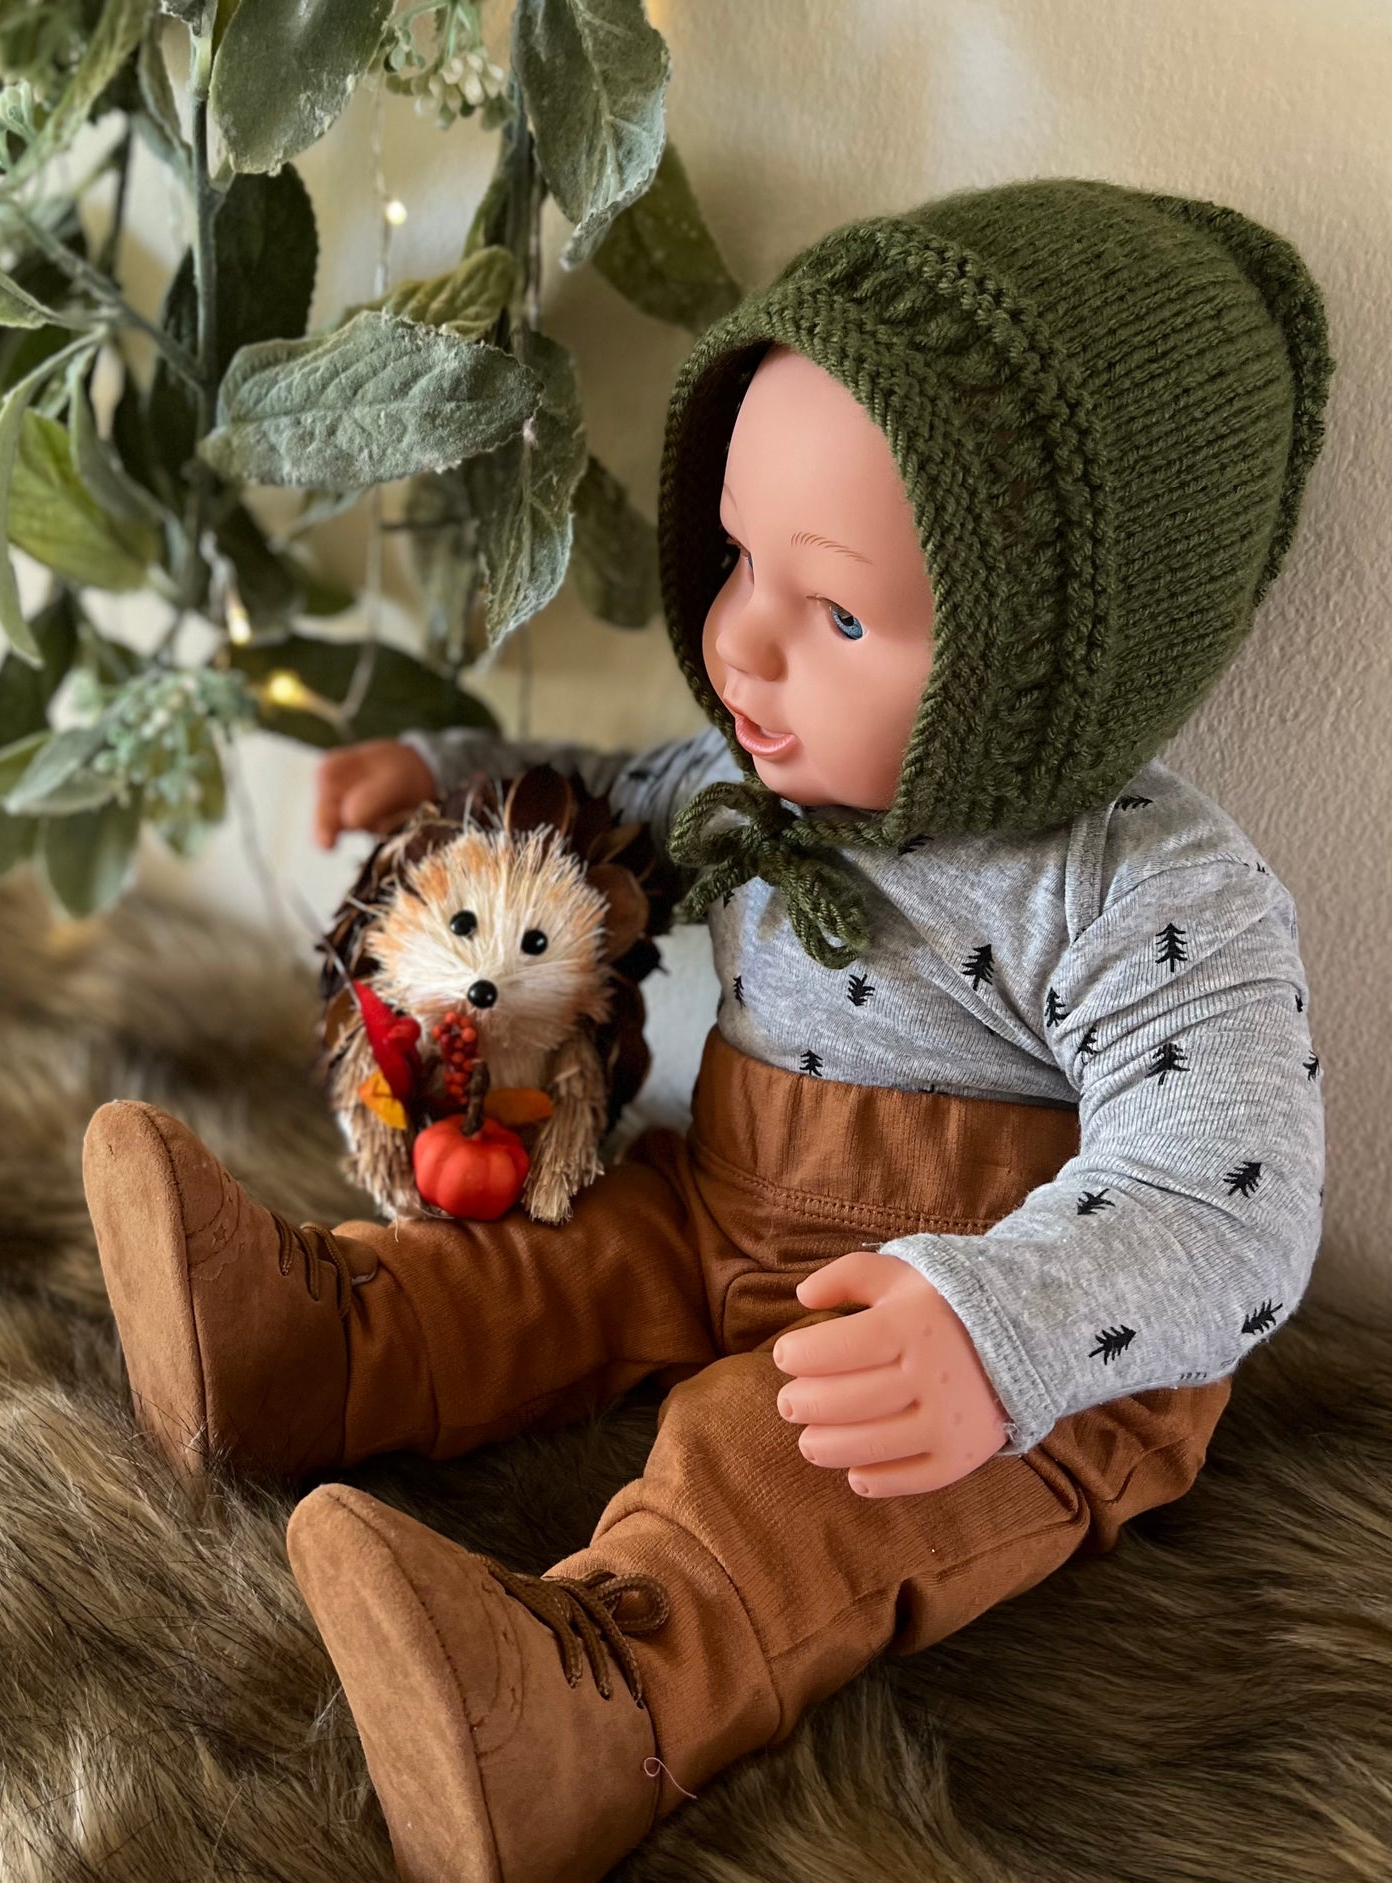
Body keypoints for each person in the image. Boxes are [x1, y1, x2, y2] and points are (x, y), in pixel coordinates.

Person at [83, 179, 1331, 1883]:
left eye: (832, 613)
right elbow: (600, 808)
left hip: (1020, 1375)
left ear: (1058, 664)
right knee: (564, 1237)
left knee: (764, 1455)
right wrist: (452, 787)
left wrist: (1000, 1333)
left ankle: (595, 1695)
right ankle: (307, 1344)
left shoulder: (1143, 889)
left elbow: (1231, 1198)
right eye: (734, 555)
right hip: (728, 1206)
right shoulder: (758, 783)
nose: (735, 637)